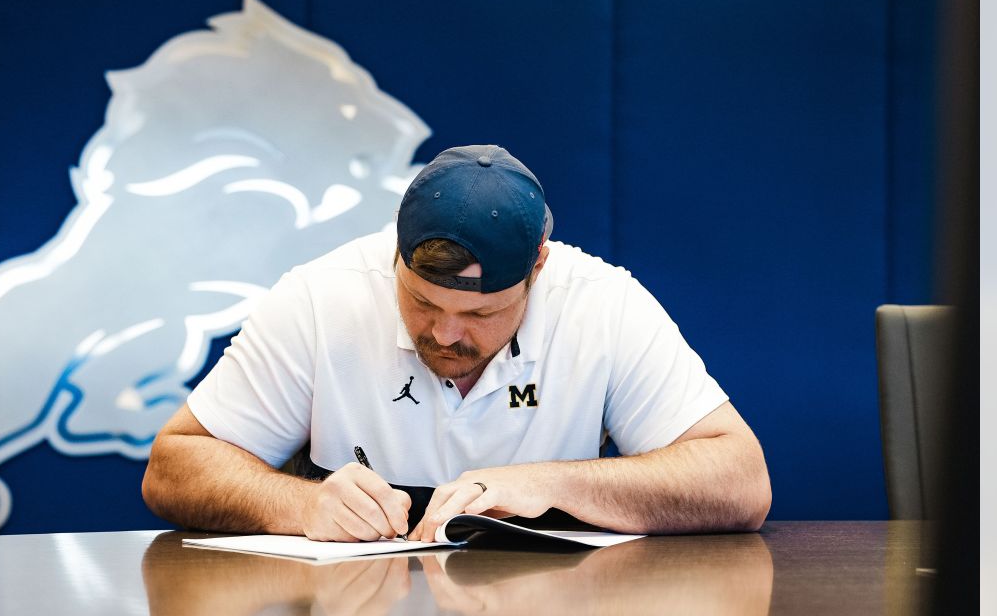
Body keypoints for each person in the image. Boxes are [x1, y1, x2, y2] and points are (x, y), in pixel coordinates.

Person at [143, 144, 770, 542]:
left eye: (481, 312)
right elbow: (175, 464)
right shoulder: (320, 296)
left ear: (538, 271)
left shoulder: (601, 302)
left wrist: (555, 484)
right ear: (393, 254)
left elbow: (741, 482)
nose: (444, 334)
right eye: (420, 302)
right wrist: (297, 504)